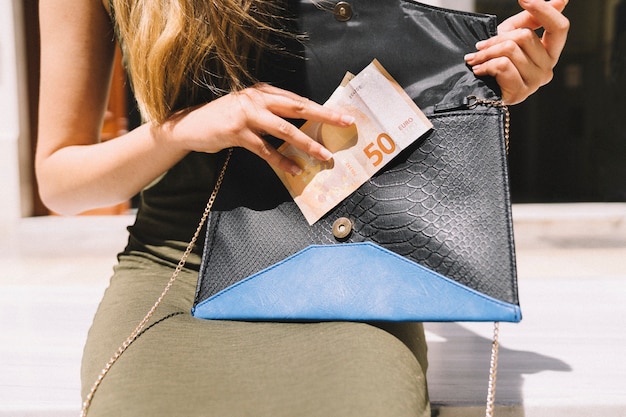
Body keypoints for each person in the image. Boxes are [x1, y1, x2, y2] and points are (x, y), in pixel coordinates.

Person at [36, 0, 569, 416]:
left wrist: (491, 75)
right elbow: (60, 181)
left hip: (354, 266)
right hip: (178, 275)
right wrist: (182, 132)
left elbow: (403, 78)